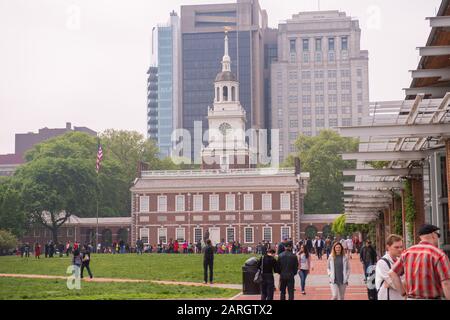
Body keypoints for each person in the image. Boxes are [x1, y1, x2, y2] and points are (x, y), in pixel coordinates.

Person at [389, 224, 450, 300]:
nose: (438, 238)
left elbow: (392, 273)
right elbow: (446, 283)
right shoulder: (438, 254)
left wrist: (403, 293)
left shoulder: (407, 253)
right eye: (438, 235)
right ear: (433, 235)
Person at [375, 234, 404, 300]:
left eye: (401, 247)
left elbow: (397, 283)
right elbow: (394, 284)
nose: (400, 249)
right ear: (388, 247)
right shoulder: (382, 262)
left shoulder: (401, 261)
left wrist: (396, 282)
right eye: (396, 247)